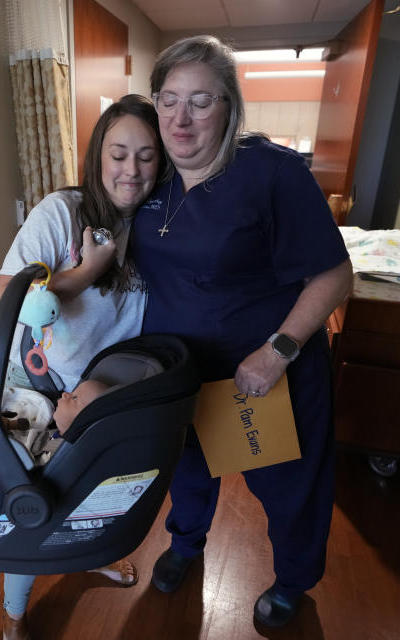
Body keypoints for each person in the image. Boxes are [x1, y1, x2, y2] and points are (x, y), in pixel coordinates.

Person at [131, 35, 353, 629]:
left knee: (286, 489)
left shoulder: (270, 173)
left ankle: (292, 581)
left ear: (230, 108)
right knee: (190, 471)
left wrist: (277, 352)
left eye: (202, 101)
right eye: (169, 99)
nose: (181, 117)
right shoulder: (149, 175)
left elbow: (335, 274)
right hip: (182, 375)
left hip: (264, 374)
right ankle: (185, 544)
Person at [0, 94, 165, 640]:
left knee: (96, 494)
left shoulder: (159, 220)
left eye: (145, 156)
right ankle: (15, 616)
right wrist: (88, 270)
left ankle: (91, 554)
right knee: (35, 504)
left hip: (107, 393)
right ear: (97, 158)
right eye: (118, 154)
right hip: (43, 385)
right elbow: (5, 300)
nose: (131, 171)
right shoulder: (61, 213)